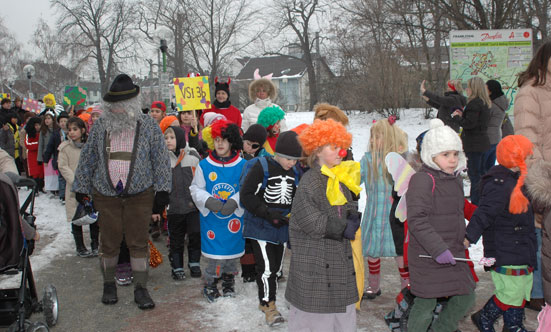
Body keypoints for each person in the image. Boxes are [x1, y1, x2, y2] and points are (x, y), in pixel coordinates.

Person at [72, 74, 171, 310]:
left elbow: (160, 159)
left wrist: (163, 190)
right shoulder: (100, 126)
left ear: (132, 105)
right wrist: (81, 187)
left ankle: (141, 288)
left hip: (140, 194)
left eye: (121, 105)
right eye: (113, 106)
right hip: (106, 195)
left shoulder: (147, 125)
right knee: (109, 242)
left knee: (138, 242)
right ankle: (109, 284)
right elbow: (88, 158)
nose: (116, 110)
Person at [285, 119, 360, 332]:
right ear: (317, 150)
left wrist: (353, 215)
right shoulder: (309, 182)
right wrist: (342, 227)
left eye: (341, 147)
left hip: (337, 258)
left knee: (341, 313)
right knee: (317, 317)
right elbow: (311, 221)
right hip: (315, 261)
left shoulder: (339, 178)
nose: (341, 152)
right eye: (333, 147)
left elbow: (347, 204)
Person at [406, 119, 475, 332]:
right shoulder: (422, 180)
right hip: (428, 255)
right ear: (431, 156)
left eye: (455, 154)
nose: (452, 160)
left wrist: (466, 236)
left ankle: (442, 329)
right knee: (426, 303)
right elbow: (417, 220)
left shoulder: (454, 180)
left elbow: (456, 213)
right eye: (446, 155)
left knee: (466, 296)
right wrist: (438, 248)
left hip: (453, 252)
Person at [466, 135, 536, 332]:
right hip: (505, 249)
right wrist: (468, 237)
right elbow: (484, 212)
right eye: (530, 156)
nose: (533, 160)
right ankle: (485, 318)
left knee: (520, 289)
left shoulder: (519, 181)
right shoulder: (499, 184)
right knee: (510, 291)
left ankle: (512, 324)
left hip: (520, 246)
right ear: (517, 160)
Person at [240, 131, 302, 326]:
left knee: (276, 269)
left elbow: (296, 196)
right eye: (288, 159)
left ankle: (270, 298)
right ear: (277, 153)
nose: (292, 163)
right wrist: (266, 213)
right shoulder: (262, 166)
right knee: (266, 268)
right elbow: (247, 195)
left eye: (295, 159)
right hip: (261, 225)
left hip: (282, 226)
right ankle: (268, 305)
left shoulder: (295, 172)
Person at [189, 119, 246, 303]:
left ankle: (229, 282)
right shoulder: (204, 165)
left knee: (231, 255)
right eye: (216, 139)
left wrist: (235, 201)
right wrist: (208, 200)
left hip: (233, 220)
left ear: (232, 141)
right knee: (213, 257)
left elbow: (247, 188)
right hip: (212, 219)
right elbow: (195, 188)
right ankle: (210, 284)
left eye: (224, 139)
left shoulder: (242, 164)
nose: (219, 143)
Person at [514, 41, 551, 314]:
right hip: (545, 179)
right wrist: (543, 180)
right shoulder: (531, 92)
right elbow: (527, 140)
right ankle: (537, 294)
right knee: (540, 238)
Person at [360, 118, 409, 299]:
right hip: (374, 215)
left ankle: (407, 288)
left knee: (400, 253)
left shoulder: (401, 160)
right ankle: (374, 286)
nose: (373, 140)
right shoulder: (367, 160)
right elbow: (355, 179)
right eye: (372, 137)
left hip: (395, 217)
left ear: (389, 138)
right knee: (372, 252)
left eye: (378, 137)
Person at [160, 126, 202, 280]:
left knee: (195, 235)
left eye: (172, 137)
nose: (168, 141)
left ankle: (194, 262)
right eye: (166, 138)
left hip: (193, 207)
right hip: (173, 208)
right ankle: (177, 266)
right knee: (176, 239)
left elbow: (200, 179)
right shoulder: (162, 158)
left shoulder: (192, 156)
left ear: (179, 138)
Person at [58, 117, 99, 258]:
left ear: (82, 130)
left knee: (93, 216)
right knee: (76, 217)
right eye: (69, 130)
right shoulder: (65, 148)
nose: (72, 132)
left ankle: (95, 244)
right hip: (74, 188)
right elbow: (63, 166)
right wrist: (75, 181)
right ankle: (80, 246)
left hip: (90, 186)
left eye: (75, 129)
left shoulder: (90, 146)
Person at [451, 76, 492, 205]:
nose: (466, 89)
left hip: (474, 145)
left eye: (468, 87)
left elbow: (470, 124)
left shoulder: (474, 103)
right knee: (482, 174)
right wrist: (464, 115)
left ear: (473, 88)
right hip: (483, 143)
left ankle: (476, 204)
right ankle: (484, 200)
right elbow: (476, 121)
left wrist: (457, 118)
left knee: (475, 176)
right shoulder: (484, 102)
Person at [482, 80, 508, 175]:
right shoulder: (501, 103)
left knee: (483, 168)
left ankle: (484, 187)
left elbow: (483, 121)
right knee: (490, 166)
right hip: (496, 137)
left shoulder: (491, 105)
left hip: (487, 138)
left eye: (485, 88)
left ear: (491, 90)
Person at [44, 111, 69, 202]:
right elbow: (50, 147)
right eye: (61, 121)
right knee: (61, 178)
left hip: (70, 159)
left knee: (69, 177)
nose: (63, 123)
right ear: (58, 123)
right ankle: (62, 196)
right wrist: (46, 160)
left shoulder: (72, 132)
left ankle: (70, 194)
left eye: (65, 121)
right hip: (59, 159)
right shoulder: (56, 134)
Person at [38, 111, 60, 194]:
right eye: (45, 119)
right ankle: (51, 188)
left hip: (55, 154)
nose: (47, 120)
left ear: (53, 119)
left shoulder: (57, 130)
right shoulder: (43, 131)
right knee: (49, 173)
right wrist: (40, 158)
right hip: (47, 155)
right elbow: (40, 145)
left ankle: (57, 188)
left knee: (56, 172)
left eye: (49, 118)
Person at [24, 117, 44, 192]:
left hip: (41, 155)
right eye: (36, 125)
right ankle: (35, 188)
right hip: (32, 155)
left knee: (41, 171)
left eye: (39, 125)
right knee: (35, 172)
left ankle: (40, 187)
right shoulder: (28, 134)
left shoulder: (42, 133)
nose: (38, 127)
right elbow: (28, 144)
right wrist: (39, 145)